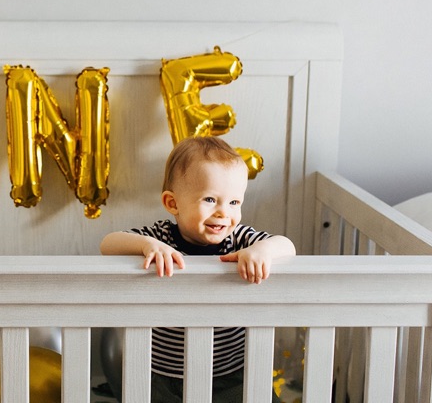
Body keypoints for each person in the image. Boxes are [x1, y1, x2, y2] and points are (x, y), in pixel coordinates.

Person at [100, 136, 295, 403]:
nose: (223, 213)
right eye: (210, 199)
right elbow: (108, 244)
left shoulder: (238, 239)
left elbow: (288, 246)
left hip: (231, 372)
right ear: (173, 203)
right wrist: (147, 245)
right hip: (164, 374)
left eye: (234, 203)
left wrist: (262, 250)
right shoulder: (161, 238)